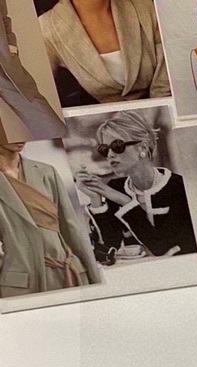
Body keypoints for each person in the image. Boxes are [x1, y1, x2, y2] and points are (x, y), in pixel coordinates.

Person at [74, 110, 197, 260]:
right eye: (105, 149)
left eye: (117, 146)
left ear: (143, 148)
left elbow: (162, 247)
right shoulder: (116, 187)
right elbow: (109, 246)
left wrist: (125, 202)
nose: (110, 155)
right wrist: (95, 199)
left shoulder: (178, 186)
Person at [0, 141, 99, 297]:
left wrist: (95, 278)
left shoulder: (46, 172)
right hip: (23, 284)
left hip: (69, 273)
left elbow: (71, 227)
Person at [38, 0, 170, 107]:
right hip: (101, 125)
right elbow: (39, 96)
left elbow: (165, 82)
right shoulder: (46, 28)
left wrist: (158, 116)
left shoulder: (147, 7)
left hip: (163, 117)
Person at [1, 0, 66, 142]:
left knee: (45, 118)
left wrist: (12, 47)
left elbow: (4, 19)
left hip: (4, 65)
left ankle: (64, 148)